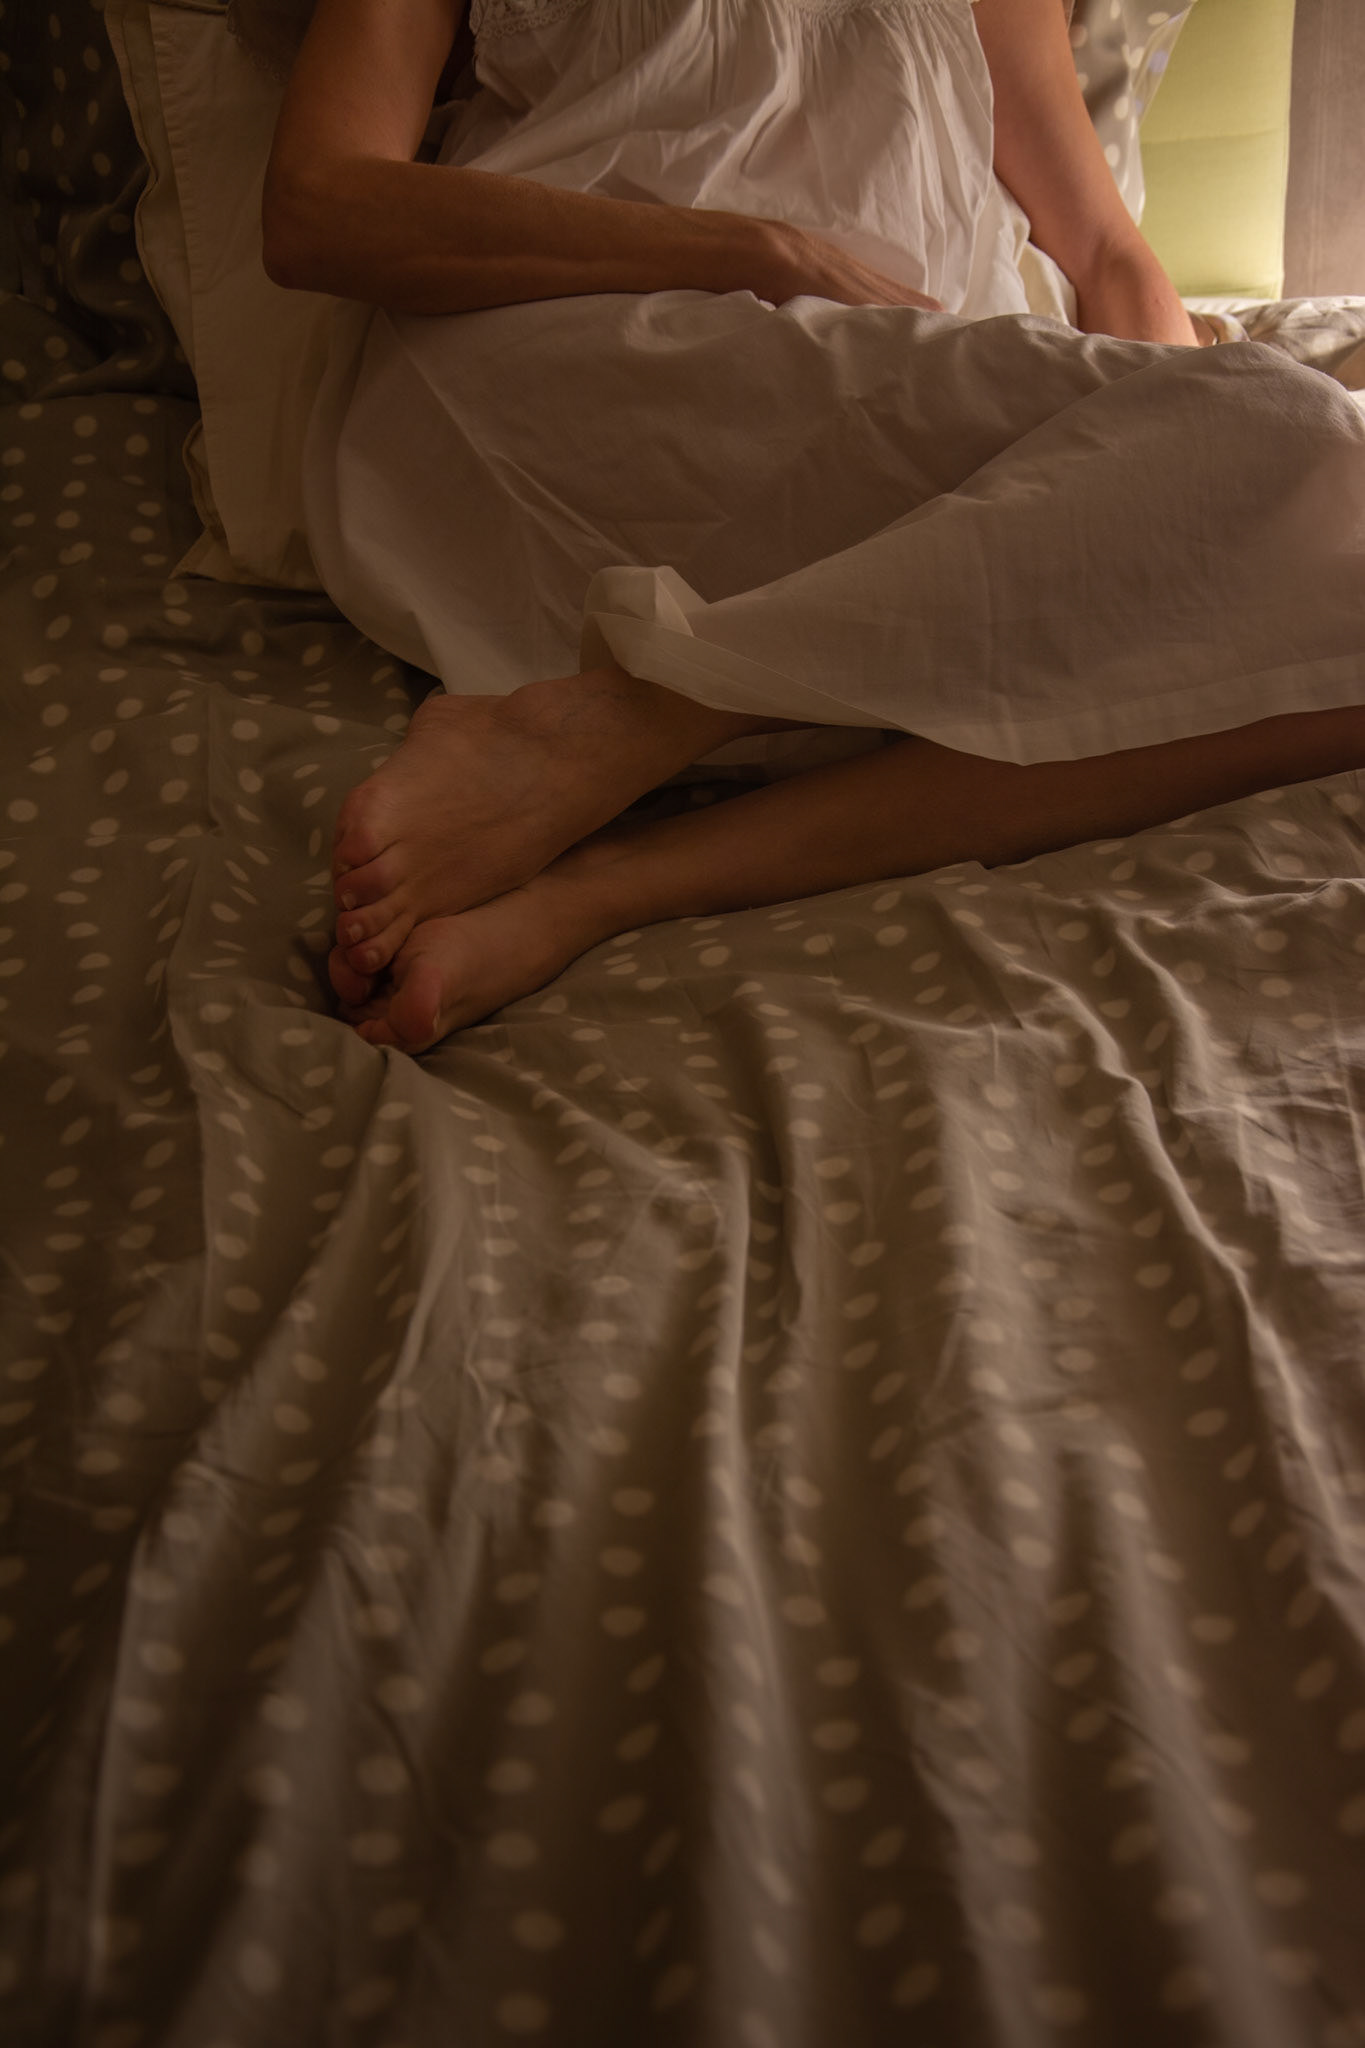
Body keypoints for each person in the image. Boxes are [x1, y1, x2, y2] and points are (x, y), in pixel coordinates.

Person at [262, 0, 1365, 1054]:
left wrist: (1182, 502)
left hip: (913, 407)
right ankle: (641, 736)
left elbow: (1107, 252)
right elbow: (319, 207)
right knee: (1290, 459)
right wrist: (758, 251)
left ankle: (614, 829)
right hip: (586, 379)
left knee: (1319, 531)